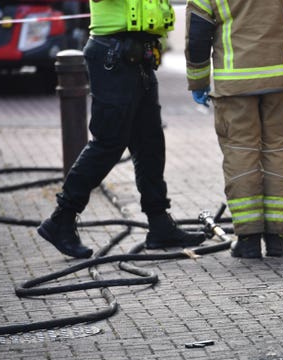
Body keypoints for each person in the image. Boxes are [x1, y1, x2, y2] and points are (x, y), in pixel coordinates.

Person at [38, 0, 205, 259]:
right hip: (113, 55)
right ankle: (61, 219)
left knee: (150, 142)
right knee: (108, 143)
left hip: (138, 54)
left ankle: (159, 223)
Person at [185, 0, 283, 258]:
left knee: (241, 155)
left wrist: (198, 80)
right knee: (281, 154)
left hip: (234, 85)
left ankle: (248, 239)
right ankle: (277, 238)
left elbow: (198, 33)